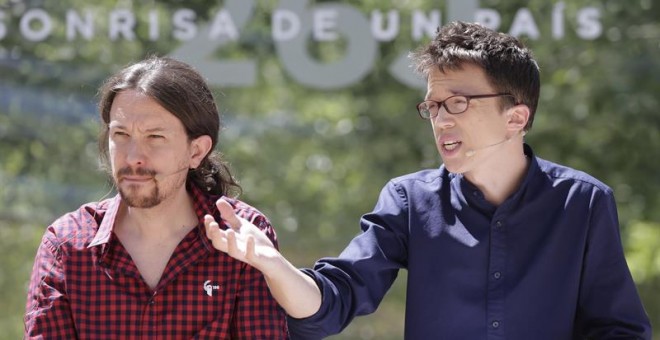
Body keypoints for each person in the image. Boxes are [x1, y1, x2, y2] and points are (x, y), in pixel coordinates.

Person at [204, 21, 653, 339]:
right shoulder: (409, 200)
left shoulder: (584, 202)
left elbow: (619, 329)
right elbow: (334, 302)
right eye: (432, 106)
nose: (440, 121)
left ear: (516, 116)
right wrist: (273, 265)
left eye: (457, 103)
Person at [24, 56, 288, 339]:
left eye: (155, 137)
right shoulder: (66, 246)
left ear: (196, 151)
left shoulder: (242, 237)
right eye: (121, 134)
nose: (134, 157)